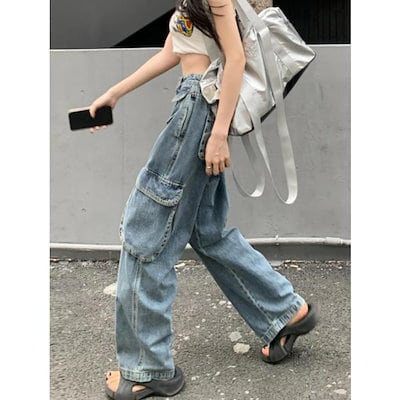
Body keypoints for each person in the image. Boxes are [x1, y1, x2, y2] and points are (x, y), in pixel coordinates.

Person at [89, 0, 319, 398]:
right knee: (207, 230)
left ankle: (147, 369)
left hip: (199, 109)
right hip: (195, 106)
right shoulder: (188, 3)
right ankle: (284, 312)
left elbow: (236, 59)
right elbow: (170, 52)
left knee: (146, 234)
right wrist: (115, 93)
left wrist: (218, 134)